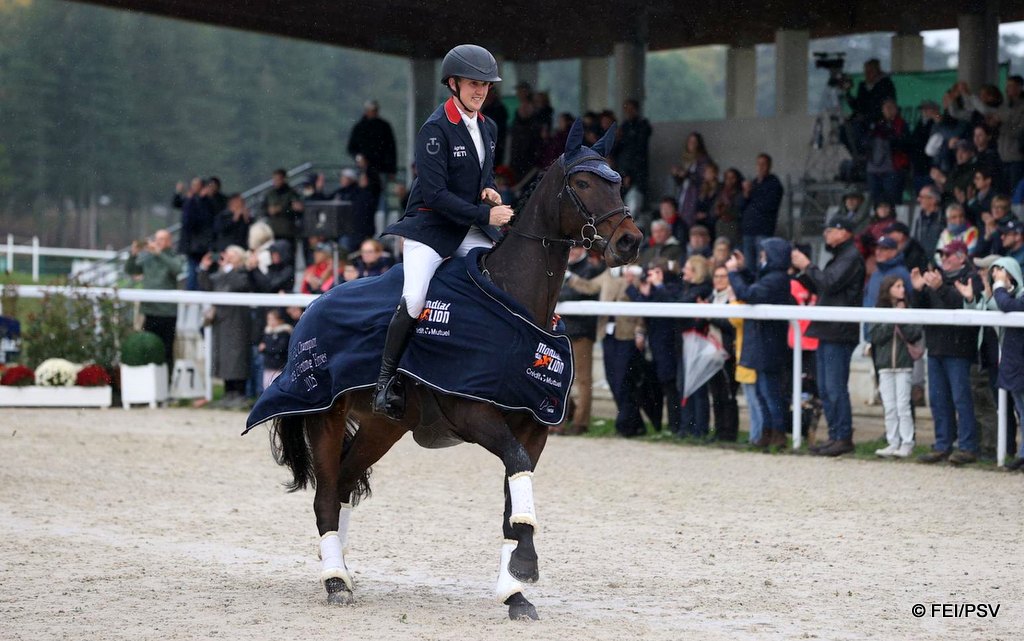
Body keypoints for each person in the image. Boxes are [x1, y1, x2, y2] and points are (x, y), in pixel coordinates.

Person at [372, 44, 513, 420]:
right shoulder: (435, 129)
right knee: (415, 298)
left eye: (485, 84)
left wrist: (488, 189)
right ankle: (384, 383)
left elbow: (481, 175)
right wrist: (486, 214)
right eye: (472, 83)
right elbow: (435, 195)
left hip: (466, 225)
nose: (480, 90)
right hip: (430, 226)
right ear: (453, 84)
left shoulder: (489, 126)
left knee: (502, 272)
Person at [791, 217, 866, 457]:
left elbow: (830, 283)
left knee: (834, 387)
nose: (825, 234)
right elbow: (824, 286)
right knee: (825, 387)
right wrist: (803, 274)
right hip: (829, 329)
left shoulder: (851, 257)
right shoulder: (842, 256)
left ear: (844, 233)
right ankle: (835, 435)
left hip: (839, 331)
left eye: (830, 230)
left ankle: (843, 436)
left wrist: (807, 266)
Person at [911, 240, 981, 465]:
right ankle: (942, 444)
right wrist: (918, 290)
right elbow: (921, 310)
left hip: (959, 349)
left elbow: (963, 308)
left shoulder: (972, 278)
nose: (943, 259)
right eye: (941, 254)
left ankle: (968, 446)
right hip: (936, 347)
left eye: (948, 255)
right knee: (938, 400)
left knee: (962, 399)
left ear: (961, 257)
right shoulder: (934, 278)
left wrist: (939, 287)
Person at [727, 238, 794, 449]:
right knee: (763, 392)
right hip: (764, 343)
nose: (762, 258)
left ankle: (778, 434)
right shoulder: (772, 276)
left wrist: (733, 274)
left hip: (768, 344)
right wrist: (742, 269)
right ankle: (767, 434)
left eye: (765, 254)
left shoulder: (776, 279)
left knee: (769, 392)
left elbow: (749, 293)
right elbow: (755, 281)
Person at [627, 257, 684, 436]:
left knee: (672, 387)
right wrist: (639, 291)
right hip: (656, 344)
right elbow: (642, 311)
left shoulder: (674, 285)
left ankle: (677, 427)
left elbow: (671, 306)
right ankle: (667, 425)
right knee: (661, 386)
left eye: (656, 272)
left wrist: (659, 286)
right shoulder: (653, 289)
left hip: (670, 344)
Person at [869, 276, 922, 458]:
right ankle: (893, 442)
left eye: (902, 286)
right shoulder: (879, 311)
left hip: (903, 364)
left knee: (903, 405)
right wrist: (893, 319)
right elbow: (875, 336)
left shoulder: (909, 310)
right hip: (884, 365)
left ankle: (907, 442)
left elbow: (914, 333)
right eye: (897, 286)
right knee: (890, 406)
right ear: (888, 289)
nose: (902, 290)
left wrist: (902, 318)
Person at [198, 246, 256, 409]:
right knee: (224, 358)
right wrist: (204, 267)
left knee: (236, 358)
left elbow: (240, 285)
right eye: (226, 256)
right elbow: (207, 285)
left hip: (238, 322)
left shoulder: (243, 273)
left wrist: (229, 269)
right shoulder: (220, 274)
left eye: (232, 256)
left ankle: (239, 394)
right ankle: (227, 393)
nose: (227, 258)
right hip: (222, 323)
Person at [557, 246, 604, 435]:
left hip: (582, 331)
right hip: (565, 330)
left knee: (583, 379)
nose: (572, 252)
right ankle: (564, 417)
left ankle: (580, 422)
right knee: (562, 377)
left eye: (575, 248)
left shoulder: (590, 269)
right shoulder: (567, 267)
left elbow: (576, 293)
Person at [125, 229, 183, 369]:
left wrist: (160, 254)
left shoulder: (173, 256)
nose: (157, 242)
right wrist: (133, 254)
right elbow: (131, 270)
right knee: (148, 347)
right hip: (150, 310)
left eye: (162, 239)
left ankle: (167, 383)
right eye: (156, 239)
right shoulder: (148, 258)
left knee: (167, 349)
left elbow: (177, 269)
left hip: (168, 312)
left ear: (169, 242)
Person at [739, 153, 784, 269]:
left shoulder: (774, 183)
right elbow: (741, 206)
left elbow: (769, 205)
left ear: (769, 166)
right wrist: (746, 193)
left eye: (764, 164)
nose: (761, 167)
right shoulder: (753, 183)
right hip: (748, 230)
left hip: (763, 230)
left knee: (761, 264)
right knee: (749, 265)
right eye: (758, 164)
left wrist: (754, 193)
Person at [866, 99, 909, 206]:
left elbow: (904, 144)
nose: (888, 110)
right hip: (874, 169)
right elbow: (866, 142)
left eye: (891, 107)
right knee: (875, 202)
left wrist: (890, 133)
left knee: (892, 201)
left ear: (896, 109)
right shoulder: (877, 123)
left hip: (893, 169)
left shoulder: (901, 124)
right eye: (885, 108)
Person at [612, 99, 652, 213]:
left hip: (636, 176)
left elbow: (638, 151)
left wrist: (629, 173)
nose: (628, 112)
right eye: (626, 110)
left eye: (631, 109)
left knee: (633, 208)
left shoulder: (642, 125)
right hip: (622, 174)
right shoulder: (624, 126)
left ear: (636, 110)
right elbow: (616, 151)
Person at [347, 99, 398, 181]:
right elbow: (351, 148)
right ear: (366, 111)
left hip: (381, 168)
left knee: (380, 192)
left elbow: (391, 149)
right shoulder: (359, 127)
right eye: (372, 110)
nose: (374, 112)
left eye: (375, 110)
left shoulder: (384, 127)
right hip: (364, 169)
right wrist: (358, 157)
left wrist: (392, 170)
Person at [178, 177, 214, 291]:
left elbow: (206, 218)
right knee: (193, 272)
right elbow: (187, 219)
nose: (194, 187)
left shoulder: (206, 201)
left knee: (200, 271)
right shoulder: (191, 200)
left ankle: (198, 292)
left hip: (202, 244)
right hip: (193, 245)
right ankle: (192, 295)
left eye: (196, 185)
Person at [672, 132, 712, 228]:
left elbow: (703, 180)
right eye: (690, 141)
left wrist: (687, 174)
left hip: (695, 197)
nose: (691, 144)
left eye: (694, 142)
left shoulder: (704, 160)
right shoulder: (686, 160)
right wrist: (676, 174)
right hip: (683, 196)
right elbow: (681, 183)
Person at [259, 308, 292, 391]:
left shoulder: (284, 333)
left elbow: (279, 348)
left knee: (277, 387)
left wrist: (266, 348)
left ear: (279, 320)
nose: (271, 322)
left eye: (273, 319)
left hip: (279, 366)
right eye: (269, 319)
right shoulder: (268, 332)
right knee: (266, 386)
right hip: (268, 365)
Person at [910, 185, 945, 259]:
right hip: (922, 263)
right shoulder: (919, 220)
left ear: (933, 200)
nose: (918, 199)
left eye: (922, 197)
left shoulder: (944, 218)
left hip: (939, 262)